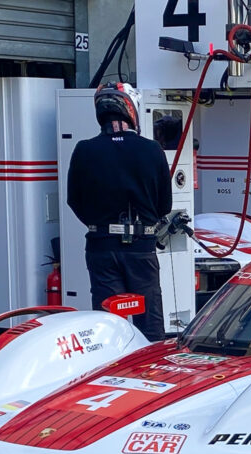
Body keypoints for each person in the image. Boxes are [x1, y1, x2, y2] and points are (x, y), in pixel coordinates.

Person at [67, 82, 172, 341]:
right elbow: (165, 205)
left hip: (101, 246)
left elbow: (74, 200)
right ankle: (151, 371)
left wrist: (99, 223)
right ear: (131, 109)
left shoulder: (84, 149)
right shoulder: (151, 149)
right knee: (149, 321)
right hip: (141, 246)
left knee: (107, 321)